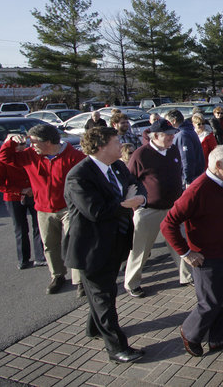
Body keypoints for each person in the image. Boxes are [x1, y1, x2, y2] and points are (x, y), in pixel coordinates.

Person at [63, 127, 146, 364]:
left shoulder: (118, 166)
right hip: (91, 250)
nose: (121, 144)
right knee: (104, 298)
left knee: (104, 293)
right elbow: (96, 211)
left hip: (115, 243)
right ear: (100, 146)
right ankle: (117, 348)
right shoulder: (79, 176)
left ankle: (93, 328)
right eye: (116, 141)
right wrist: (127, 203)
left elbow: (135, 185)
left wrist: (138, 198)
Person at [161, 145, 223, 357]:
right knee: (211, 302)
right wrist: (185, 252)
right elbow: (168, 223)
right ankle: (190, 333)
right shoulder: (197, 189)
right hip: (206, 257)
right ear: (218, 165)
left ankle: (220, 338)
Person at [0, 123, 85, 295]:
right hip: (44, 208)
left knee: (74, 244)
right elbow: (4, 159)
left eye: (35, 142)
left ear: (48, 142)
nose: (32, 146)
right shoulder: (30, 156)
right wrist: (9, 142)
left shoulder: (74, 157)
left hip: (69, 208)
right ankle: (57, 275)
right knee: (49, 245)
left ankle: (80, 280)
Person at [124, 119, 193, 298]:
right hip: (149, 210)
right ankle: (132, 283)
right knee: (140, 249)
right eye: (168, 135)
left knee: (182, 243)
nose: (172, 137)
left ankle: (186, 276)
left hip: (174, 208)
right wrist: (137, 202)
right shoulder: (140, 155)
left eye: (172, 134)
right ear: (155, 136)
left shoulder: (173, 150)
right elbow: (130, 181)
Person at [0, 138, 45, 270]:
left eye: (23, 144)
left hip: (32, 195)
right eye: (17, 145)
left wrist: (33, 188)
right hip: (14, 198)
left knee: (39, 226)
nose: (21, 147)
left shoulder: (28, 157)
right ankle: (23, 259)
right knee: (20, 229)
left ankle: (40, 257)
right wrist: (20, 191)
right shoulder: (2, 161)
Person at [165, 109, 205, 187]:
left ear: (174, 121)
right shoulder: (188, 130)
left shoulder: (183, 135)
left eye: (167, 122)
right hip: (195, 174)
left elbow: (186, 158)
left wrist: (188, 180)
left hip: (189, 177)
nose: (167, 125)